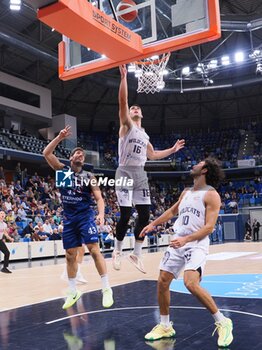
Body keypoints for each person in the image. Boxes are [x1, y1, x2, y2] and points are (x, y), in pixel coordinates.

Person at [140, 158, 233, 348]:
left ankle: (223, 321)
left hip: (196, 243)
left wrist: (186, 240)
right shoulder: (186, 192)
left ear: (205, 170)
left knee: (190, 282)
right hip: (179, 240)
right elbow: (172, 211)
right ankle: (165, 326)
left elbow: (209, 228)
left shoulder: (211, 195)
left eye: (198, 163)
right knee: (162, 281)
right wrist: (152, 224)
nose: (194, 165)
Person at [113, 64, 185, 273]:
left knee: (144, 215)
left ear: (142, 115)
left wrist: (171, 150)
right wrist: (124, 78)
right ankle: (117, 251)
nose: (135, 109)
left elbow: (152, 155)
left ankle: (136, 253)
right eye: (132, 108)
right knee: (126, 214)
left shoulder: (144, 135)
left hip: (140, 174)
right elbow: (122, 102)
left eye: (138, 109)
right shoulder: (126, 125)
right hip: (124, 171)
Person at [43, 126, 113, 310]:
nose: (81, 155)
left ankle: (106, 288)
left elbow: (99, 198)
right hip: (69, 219)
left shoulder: (89, 176)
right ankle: (73, 291)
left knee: (93, 249)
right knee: (70, 255)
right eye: (78, 153)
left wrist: (101, 214)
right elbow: (46, 153)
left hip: (85, 216)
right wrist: (59, 137)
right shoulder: (63, 172)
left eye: (83, 154)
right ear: (71, 158)